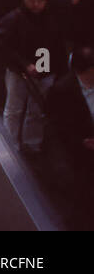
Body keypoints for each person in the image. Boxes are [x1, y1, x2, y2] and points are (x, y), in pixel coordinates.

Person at [0, 0, 66, 153]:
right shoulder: (13, 19)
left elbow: (54, 45)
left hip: (44, 66)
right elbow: (1, 43)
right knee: (14, 109)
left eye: (39, 1)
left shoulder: (51, 18)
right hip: (18, 69)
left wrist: (43, 68)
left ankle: (32, 143)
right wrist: (25, 64)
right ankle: (11, 145)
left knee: (37, 109)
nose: (35, 5)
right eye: (31, 1)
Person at [46, 46, 94, 184]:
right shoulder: (62, 91)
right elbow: (57, 128)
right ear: (86, 71)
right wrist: (82, 141)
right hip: (78, 150)